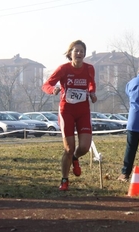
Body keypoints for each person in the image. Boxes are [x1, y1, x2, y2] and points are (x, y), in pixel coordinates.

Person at [42, 40, 97, 191]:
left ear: (84, 54)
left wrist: (92, 92)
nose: (79, 53)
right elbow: (46, 84)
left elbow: (91, 83)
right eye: (76, 51)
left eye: (82, 51)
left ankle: (75, 158)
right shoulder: (63, 69)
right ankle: (65, 179)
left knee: (85, 147)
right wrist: (52, 90)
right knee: (68, 148)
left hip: (83, 110)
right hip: (66, 110)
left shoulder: (89, 68)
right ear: (70, 53)